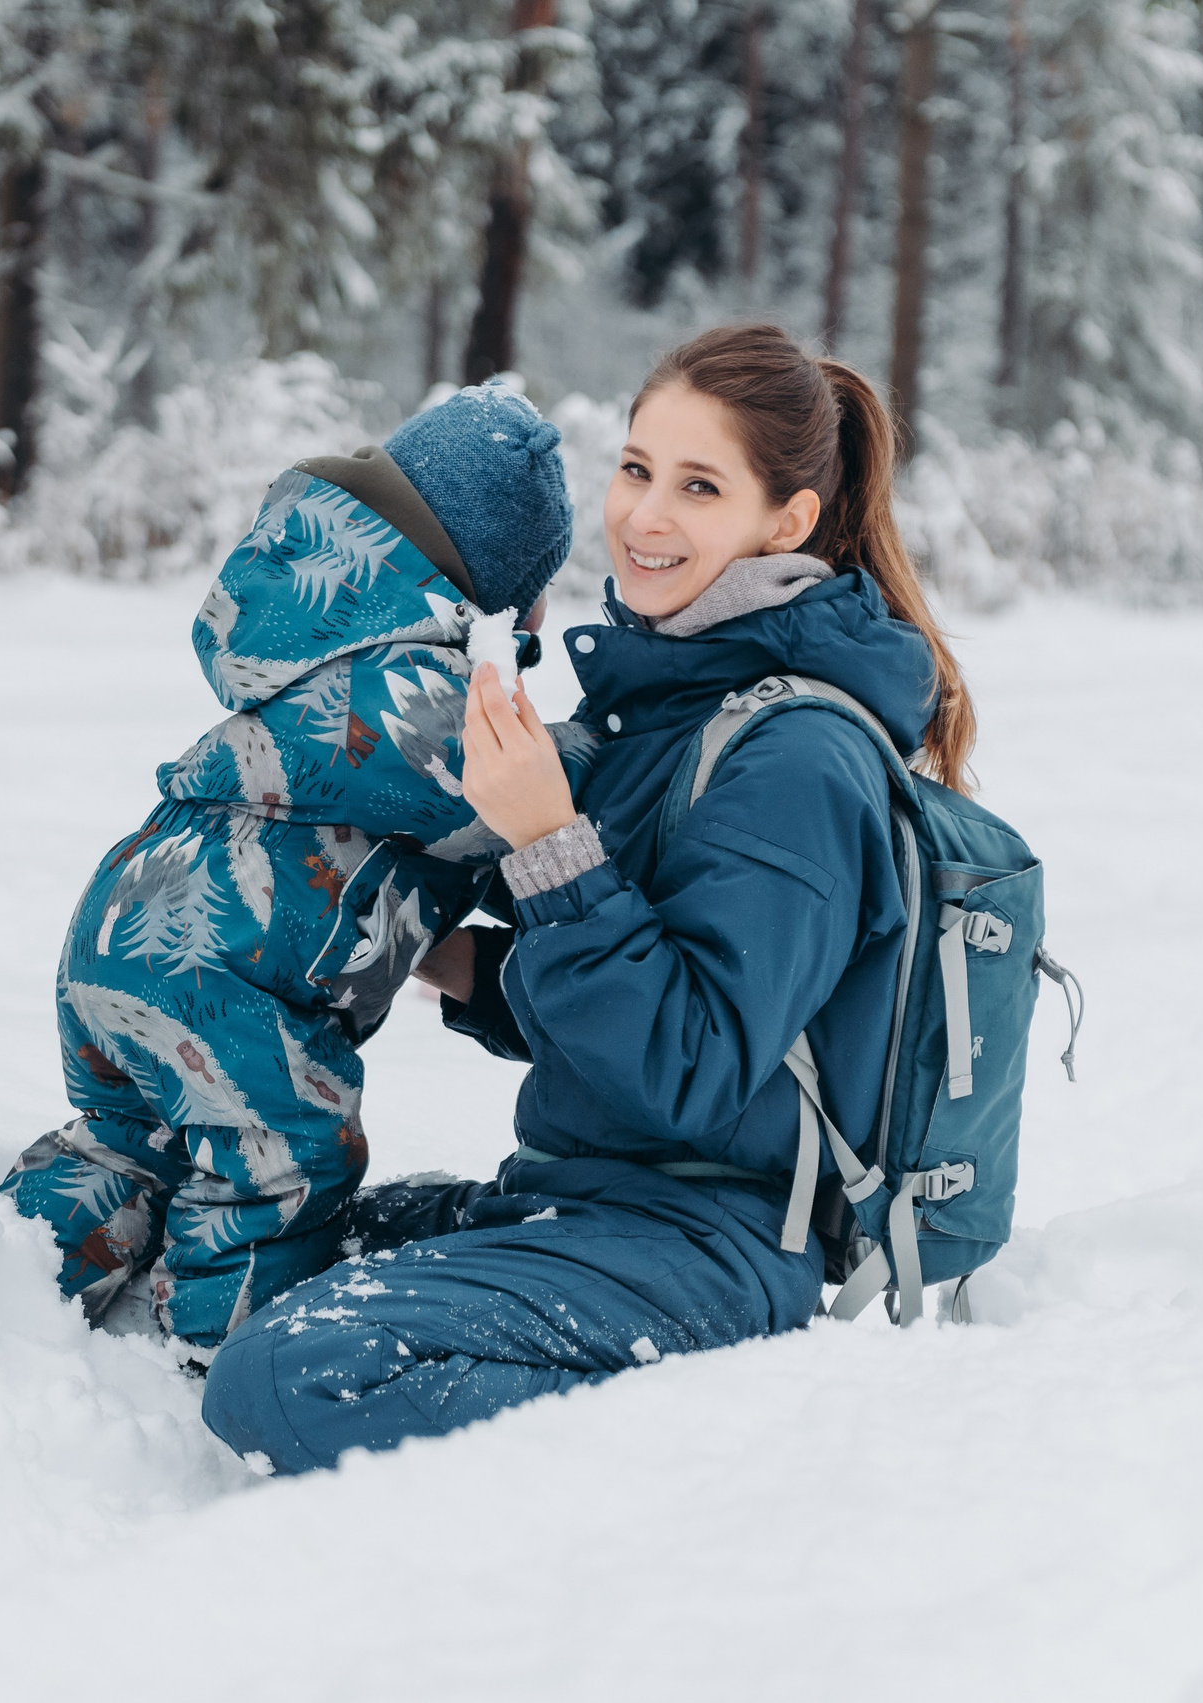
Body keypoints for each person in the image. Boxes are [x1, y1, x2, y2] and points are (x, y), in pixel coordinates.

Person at [200, 322, 978, 1473]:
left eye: (698, 486)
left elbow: (693, 1065)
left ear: (787, 521)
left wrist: (547, 839)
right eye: (634, 468)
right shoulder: (677, 706)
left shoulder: (799, 757)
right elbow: (636, 994)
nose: (644, 516)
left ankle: (671, 1460)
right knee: (281, 1238)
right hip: (593, 1198)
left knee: (290, 1370)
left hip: (712, 1237)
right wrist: (423, 945)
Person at [0, 385, 594, 1355]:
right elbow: (510, 799)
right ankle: (218, 1367)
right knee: (280, 1162)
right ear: (494, 589)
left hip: (123, 923)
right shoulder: (417, 691)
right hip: (221, 974)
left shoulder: (322, 637)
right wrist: (613, 757)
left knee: (132, 1138)